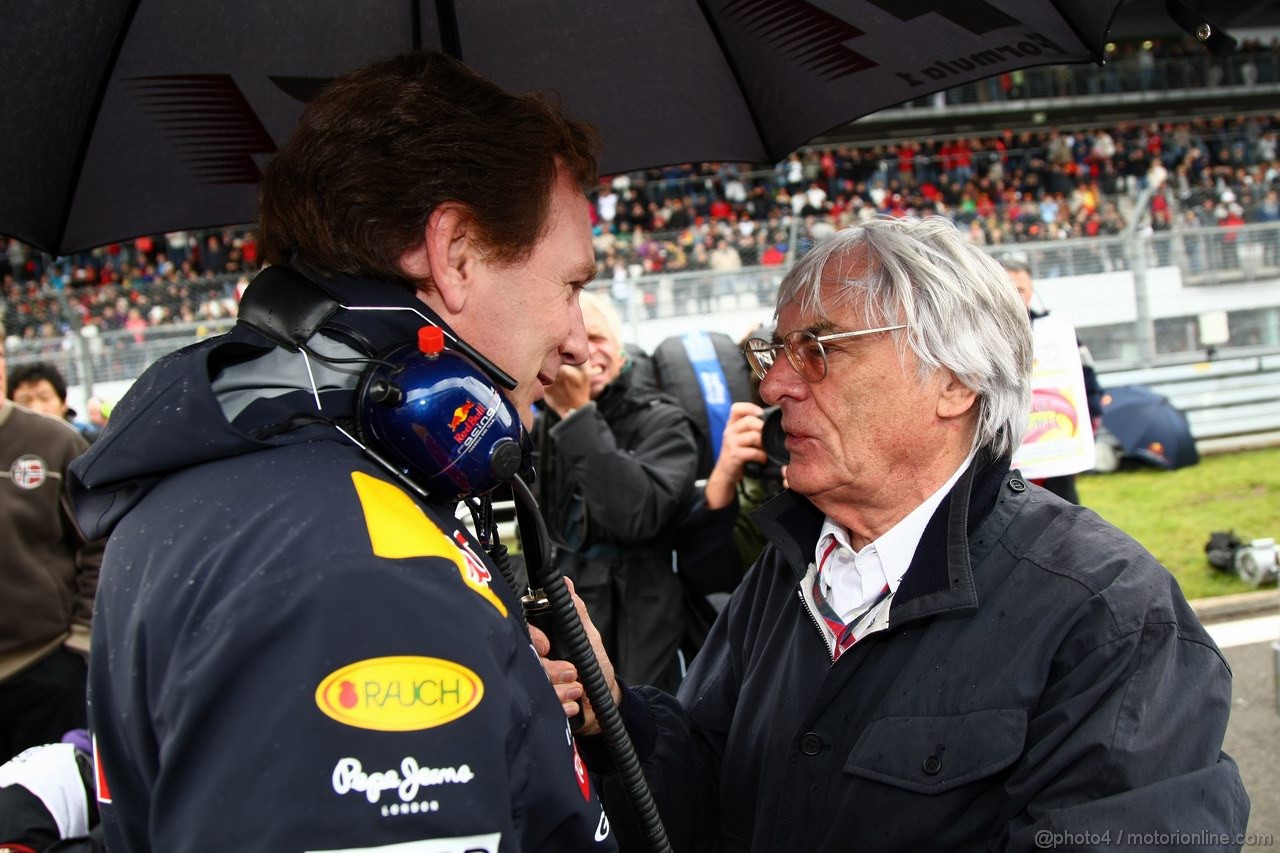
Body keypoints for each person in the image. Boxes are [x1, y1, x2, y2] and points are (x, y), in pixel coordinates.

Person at [543, 217, 1249, 850]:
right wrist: (614, 708)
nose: (775, 386)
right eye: (774, 352)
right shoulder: (787, 573)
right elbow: (703, 792)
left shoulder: (1111, 614)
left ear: (955, 381)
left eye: (818, 347)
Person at [66, 51, 618, 851]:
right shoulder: (356, 565)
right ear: (456, 251)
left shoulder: (244, 482)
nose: (575, 341)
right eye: (570, 285)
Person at [536, 291, 699, 690]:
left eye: (598, 338)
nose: (585, 353)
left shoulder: (664, 421)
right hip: (571, 601)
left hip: (645, 611)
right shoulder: (543, 423)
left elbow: (637, 515)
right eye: (568, 341)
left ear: (621, 351)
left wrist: (578, 416)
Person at [0, 337, 103, 765]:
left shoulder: (53, 443)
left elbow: (100, 542)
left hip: (43, 669)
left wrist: (80, 643)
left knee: (51, 824)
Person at [1003, 257, 1104, 504]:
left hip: (1056, 453)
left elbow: (1088, 382)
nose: (1016, 296)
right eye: (1008, 289)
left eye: (1021, 289)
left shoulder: (1059, 334)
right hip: (1006, 459)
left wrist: (1087, 431)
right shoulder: (977, 336)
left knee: (1064, 521)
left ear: (1031, 291)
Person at [6, 362, 101, 443]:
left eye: (45, 398)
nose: (37, 409)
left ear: (63, 403)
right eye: (25, 401)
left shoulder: (92, 443)